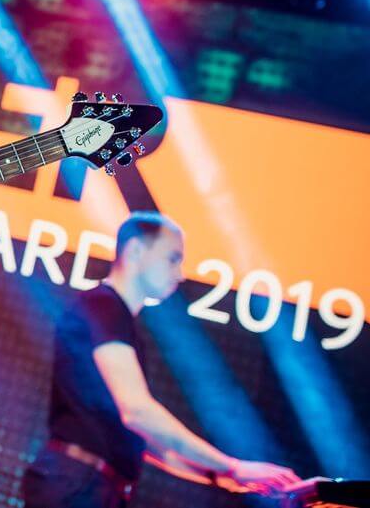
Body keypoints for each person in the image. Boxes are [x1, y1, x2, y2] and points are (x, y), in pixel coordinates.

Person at [22, 212, 301, 507]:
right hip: (76, 485)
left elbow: (150, 444)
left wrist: (225, 477)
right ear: (135, 251)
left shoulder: (116, 318)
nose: (180, 274)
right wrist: (232, 467)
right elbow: (138, 412)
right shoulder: (103, 306)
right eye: (173, 259)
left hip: (88, 487)